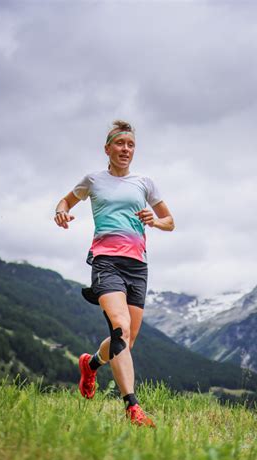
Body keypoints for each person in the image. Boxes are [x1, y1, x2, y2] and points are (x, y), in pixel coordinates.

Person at [54, 120, 174, 427]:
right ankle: (132, 407)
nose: (126, 149)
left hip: (138, 266)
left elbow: (169, 221)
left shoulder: (144, 183)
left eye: (131, 145)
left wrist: (154, 220)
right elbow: (66, 199)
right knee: (119, 327)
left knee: (126, 340)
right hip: (106, 261)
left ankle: (90, 364)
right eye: (120, 144)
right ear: (107, 148)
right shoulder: (93, 180)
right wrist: (62, 211)